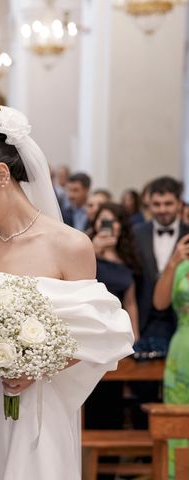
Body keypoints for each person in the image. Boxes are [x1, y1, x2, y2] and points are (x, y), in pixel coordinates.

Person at [0, 107, 134, 480]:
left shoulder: (70, 246)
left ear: (1, 175)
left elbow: (93, 335)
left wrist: (36, 367)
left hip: (38, 405)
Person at [132, 176, 189, 427]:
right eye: (157, 204)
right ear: (149, 204)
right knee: (141, 386)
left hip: (180, 319)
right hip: (146, 318)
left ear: (178, 204)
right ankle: (144, 447)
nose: (163, 209)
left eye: (168, 203)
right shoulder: (137, 233)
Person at [85, 202, 141, 431]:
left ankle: (110, 463)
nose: (107, 225)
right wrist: (93, 251)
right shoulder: (86, 250)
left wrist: (134, 336)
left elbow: (131, 301)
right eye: (102, 219)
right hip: (92, 330)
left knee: (114, 398)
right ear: (96, 223)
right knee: (92, 397)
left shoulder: (127, 257)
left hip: (116, 333)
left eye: (113, 220)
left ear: (121, 226)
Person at [152, 233, 189, 480]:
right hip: (182, 350)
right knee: (177, 420)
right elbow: (160, 302)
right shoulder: (182, 264)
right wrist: (173, 263)